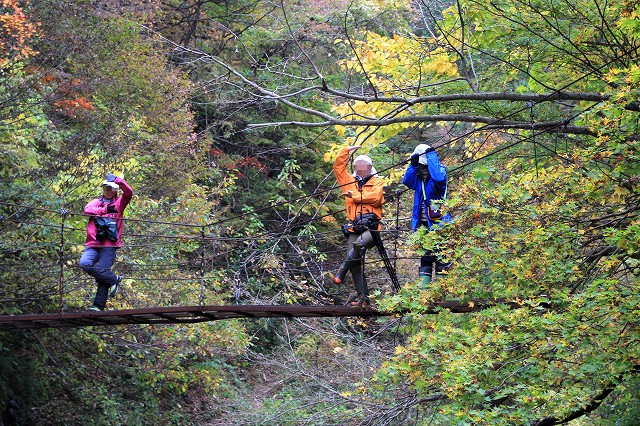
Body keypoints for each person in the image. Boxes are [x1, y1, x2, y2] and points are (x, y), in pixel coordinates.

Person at [332, 146, 385, 306]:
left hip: (372, 228)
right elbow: (338, 168)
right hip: (354, 227)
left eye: (364, 166)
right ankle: (364, 300)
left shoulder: (377, 182)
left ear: (370, 167)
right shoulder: (349, 183)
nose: (361, 169)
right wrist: (345, 150)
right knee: (355, 262)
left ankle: (341, 271)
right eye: (358, 166)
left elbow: (375, 198)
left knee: (358, 245)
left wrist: (353, 196)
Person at [79, 173, 133, 311]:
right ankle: (114, 279)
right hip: (93, 243)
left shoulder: (119, 204)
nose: (107, 190)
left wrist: (119, 181)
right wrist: (104, 210)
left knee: (103, 272)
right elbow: (87, 210)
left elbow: (129, 192)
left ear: (115, 190)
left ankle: (98, 306)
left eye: (110, 188)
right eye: (105, 187)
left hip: (109, 244)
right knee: (84, 263)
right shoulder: (96, 202)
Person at [402, 143, 451, 286]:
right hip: (423, 225)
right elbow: (407, 181)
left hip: (440, 225)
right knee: (426, 259)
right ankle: (425, 295)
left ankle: (441, 295)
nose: (423, 169)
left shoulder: (439, 172)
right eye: (421, 166)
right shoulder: (418, 179)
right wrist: (413, 164)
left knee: (442, 258)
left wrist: (431, 155)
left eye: (424, 166)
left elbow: (438, 179)